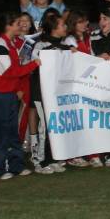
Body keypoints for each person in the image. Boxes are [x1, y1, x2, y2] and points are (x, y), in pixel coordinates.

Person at [0, 12, 41, 179]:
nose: (20, 26)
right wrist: (32, 65)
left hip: (6, 93)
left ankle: (15, 166)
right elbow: (7, 72)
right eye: (17, 23)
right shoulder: (0, 44)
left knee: (11, 131)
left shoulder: (11, 44)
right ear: (9, 26)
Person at [29, 12, 73, 174]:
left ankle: (53, 158)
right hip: (41, 93)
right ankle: (41, 161)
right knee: (45, 127)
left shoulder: (64, 46)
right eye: (63, 25)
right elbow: (36, 63)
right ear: (54, 29)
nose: (66, 27)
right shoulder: (41, 46)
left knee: (54, 125)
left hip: (55, 94)